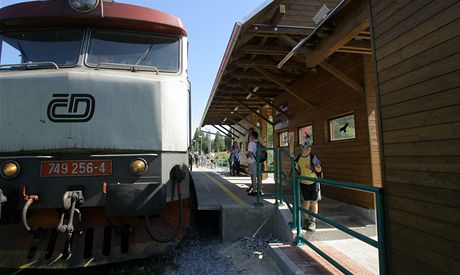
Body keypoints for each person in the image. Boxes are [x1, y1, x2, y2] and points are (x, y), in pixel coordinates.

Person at [295, 138, 322, 231]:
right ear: (302, 148)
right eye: (306, 147)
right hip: (304, 183)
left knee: (314, 202)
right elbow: (297, 170)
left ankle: (313, 222)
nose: (308, 149)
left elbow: (319, 169)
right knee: (306, 202)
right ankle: (306, 220)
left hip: (314, 182)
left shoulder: (313, 157)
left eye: (309, 148)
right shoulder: (298, 158)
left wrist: (312, 167)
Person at [246, 131, 259, 196]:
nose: (249, 137)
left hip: (252, 161)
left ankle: (254, 191)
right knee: (256, 176)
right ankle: (257, 189)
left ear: (252, 136)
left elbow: (250, 153)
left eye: (250, 136)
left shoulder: (251, 143)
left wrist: (248, 156)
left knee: (253, 176)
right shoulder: (257, 142)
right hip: (257, 161)